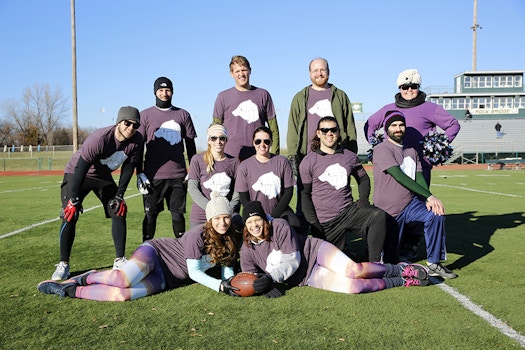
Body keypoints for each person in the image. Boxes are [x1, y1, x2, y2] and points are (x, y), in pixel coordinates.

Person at [37, 194, 242, 301]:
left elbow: (227, 266)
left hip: (168, 278)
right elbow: (194, 272)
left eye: (225, 217)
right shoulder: (198, 234)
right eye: (217, 218)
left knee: (122, 295)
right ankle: (86, 277)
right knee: (122, 279)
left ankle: (69, 290)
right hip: (157, 253)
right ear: (210, 218)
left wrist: (230, 280)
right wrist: (220, 286)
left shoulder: (231, 237)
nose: (222, 222)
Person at [240, 201, 430, 298]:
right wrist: (261, 286)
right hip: (306, 277)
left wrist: (271, 278)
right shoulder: (246, 250)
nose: (255, 225)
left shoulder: (279, 226)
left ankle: (401, 269)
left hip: (314, 252)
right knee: (355, 287)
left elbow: (293, 260)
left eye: (257, 220)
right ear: (245, 226)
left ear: (265, 219)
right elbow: (250, 276)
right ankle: (401, 281)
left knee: (354, 271)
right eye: (249, 222)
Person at [364, 68, 460, 258]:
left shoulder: (430, 108)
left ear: (418, 87)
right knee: (392, 206)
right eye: (405, 86)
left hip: (419, 165)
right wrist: (376, 145)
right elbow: (369, 125)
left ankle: (411, 245)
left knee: (419, 203)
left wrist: (438, 146)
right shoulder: (388, 109)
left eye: (413, 86)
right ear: (399, 87)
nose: (409, 90)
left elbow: (453, 125)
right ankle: (389, 245)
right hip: (393, 164)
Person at [51, 106, 144, 280]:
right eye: (127, 123)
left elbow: (129, 166)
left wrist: (120, 195)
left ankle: (119, 259)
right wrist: (73, 198)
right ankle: (63, 264)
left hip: (102, 176)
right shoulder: (100, 138)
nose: (130, 128)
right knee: (70, 214)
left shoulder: (137, 140)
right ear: (119, 122)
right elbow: (81, 167)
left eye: (135, 125)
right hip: (78, 173)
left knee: (118, 209)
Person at [372, 110, 458, 279]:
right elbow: (399, 176)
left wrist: (428, 197)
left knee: (436, 213)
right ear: (387, 129)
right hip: (388, 210)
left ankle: (434, 262)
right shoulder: (382, 149)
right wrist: (429, 196)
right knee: (390, 261)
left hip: (409, 205)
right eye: (394, 125)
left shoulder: (411, 151)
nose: (398, 128)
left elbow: (419, 177)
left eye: (401, 125)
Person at [299, 117, 397, 262]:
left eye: (333, 130)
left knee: (379, 216)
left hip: (348, 212)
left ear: (338, 132)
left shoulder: (349, 156)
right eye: (325, 130)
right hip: (326, 221)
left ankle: (375, 263)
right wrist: (314, 225)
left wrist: (363, 200)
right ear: (318, 134)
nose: (329, 133)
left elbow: (363, 179)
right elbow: (305, 195)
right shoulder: (308, 161)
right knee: (335, 265)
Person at [287, 57, 358, 222]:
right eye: (315, 70)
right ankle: (303, 240)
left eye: (322, 70)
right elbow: (292, 129)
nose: (319, 73)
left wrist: (350, 155)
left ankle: (339, 237)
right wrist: (293, 156)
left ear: (329, 72)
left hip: (336, 159)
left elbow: (350, 128)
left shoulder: (340, 96)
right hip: (308, 159)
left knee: (338, 200)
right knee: (304, 203)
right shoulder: (300, 97)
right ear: (309, 73)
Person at [137, 77, 197, 241]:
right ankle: (145, 250)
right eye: (161, 90)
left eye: (168, 90)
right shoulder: (145, 115)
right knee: (150, 216)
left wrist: (192, 169)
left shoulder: (183, 114)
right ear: (155, 92)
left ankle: (181, 253)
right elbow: (138, 147)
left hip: (177, 176)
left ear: (172, 91)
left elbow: (190, 145)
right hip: (152, 177)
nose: (164, 93)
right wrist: (139, 172)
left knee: (178, 216)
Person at [212, 55, 280, 161]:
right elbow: (215, 130)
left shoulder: (263, 94)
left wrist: (274, 155)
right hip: (230, 157)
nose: (241, 74)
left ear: (250, 70)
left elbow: (274, 129)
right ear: (231, 74)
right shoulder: (223, 97)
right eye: (237, 71)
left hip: (258, 156)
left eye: (244, 70)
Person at [235, 126, 301, 232]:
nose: (262, 144)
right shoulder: (244, 166)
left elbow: (288, 192)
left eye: (266, 141)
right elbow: (244, 198)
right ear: (253, 143)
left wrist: (273, 216)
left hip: (280, 211)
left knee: (295, 224)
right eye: (258, 141)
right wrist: (258, 216)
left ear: (271, 142)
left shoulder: (282, 162)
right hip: (255, 214)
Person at [187, 123, 241, 228]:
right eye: (214, 138)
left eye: (222, 138)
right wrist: (211, 208)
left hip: (225, 216)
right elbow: (193, 188)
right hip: (201, 215)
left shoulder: (234, 162)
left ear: (226, 140)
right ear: (209, 140)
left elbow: (238, 190)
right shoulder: (197, 159)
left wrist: (227, 208)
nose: (218, 141)